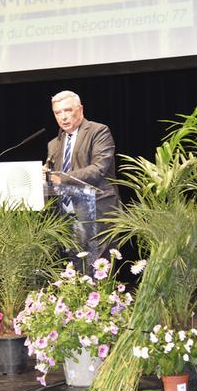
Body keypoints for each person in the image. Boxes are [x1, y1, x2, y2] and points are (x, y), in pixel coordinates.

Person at [45, 90, 120, 267]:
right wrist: (46, 175)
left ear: (80, 109)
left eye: (68, 110)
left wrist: (61, 177)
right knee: (75, 273)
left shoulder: (98, 131)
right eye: (58, 112)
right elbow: (54, 181)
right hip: (67, 215)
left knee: (98, 273)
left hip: (97, 212)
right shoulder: (53, 144)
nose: (63, 117)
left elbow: (98, 169)